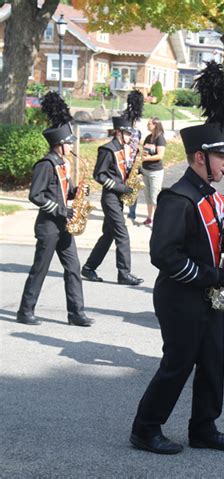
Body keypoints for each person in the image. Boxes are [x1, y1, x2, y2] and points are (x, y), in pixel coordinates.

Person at [130, 61, 224, 455]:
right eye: (221, 158)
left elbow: (207, 236)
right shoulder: (177, 197)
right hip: (181, 295)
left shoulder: (211, 195)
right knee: (178, 365)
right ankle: (145, 429)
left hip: (206, 294)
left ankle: (204, 427)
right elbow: (163, 254)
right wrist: (206, 277)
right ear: (199, 158)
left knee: (212, 363)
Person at [17, 92, 93, 327]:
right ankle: (25, 311)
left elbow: (64, 192)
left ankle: (76, 313)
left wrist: (78, 193)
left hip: (64, 225)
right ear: (59, 145)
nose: (71, 146)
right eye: (69, 143)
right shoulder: (46, 165)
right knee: (40, 268)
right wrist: (62, 211)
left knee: (73, 267)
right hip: (49, 226)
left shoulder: (62, 165)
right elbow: (35, 195)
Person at [81, 115, 143, 286]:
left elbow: (123, 171)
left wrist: (137, 172)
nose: (131, 138)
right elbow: (98, 175)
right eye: (128, 134)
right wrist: (121, 187)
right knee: (122, 235)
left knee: (108, 235)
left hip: (118, 198)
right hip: (110, 197)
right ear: (119, 132)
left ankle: (89, 267)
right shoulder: (107, 150)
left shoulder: (124, 149)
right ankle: (124, 273)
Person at [124, 90, 144, 226]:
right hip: (124, 162)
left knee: (134, 189)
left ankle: (132, 213)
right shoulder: (125, 130)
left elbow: (137, 146)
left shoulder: (137, 131)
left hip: (134, 163)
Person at [141, 117, 166, 226]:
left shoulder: (160, 138)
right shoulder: (148, 137)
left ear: (155, 125)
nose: (147, 125)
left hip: (155, 172)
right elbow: (145, 151)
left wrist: (147, 159)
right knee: (147, 196)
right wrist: (143, 156)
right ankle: (149, 217)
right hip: (145, 170)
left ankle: (159, 220)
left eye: (149, 124)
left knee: (155, 196)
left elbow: (160, 155)